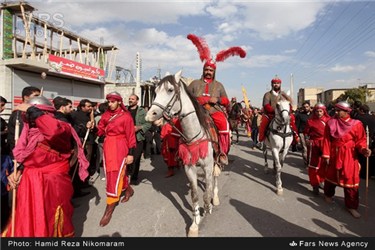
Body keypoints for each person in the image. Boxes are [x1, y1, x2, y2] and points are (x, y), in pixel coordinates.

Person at [3, 96, 89, 237]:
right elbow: (28, 156)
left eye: (31, 115)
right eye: (27, 116)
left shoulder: (61, 127)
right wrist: (19, 171)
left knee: (51, 219)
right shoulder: (29, 131)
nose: (29, 120)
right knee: (28, 218)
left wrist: (32, 110)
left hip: (53, 182)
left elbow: (52, 131)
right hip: (31, 180)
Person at [186, 34, 246, 165]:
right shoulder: (195, 83)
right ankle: (181, 154)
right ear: (203, 70)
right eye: (206, 69)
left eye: (211, 70)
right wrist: (198, 99)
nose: (208, 72)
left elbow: (226, 101)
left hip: (214, 111)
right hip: (197, 112)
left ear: (214, 72)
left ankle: (222, 153)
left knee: (224, 126)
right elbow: (186, 97)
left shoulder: (219, 85)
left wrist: (217, 100)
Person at [322, 101, 371, 218]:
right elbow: (327, 140)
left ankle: (351, 206)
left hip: (350, 155)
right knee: (330, 175)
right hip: (334, 153)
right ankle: (328, 195)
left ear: (347, 111)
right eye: (336, 110)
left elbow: (361, 141)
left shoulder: (357, 124)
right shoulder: (331, 122)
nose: (337, 112)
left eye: (339, 110)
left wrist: (364, 150)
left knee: (351, 179)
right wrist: (326, 155)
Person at [96, 92, 136, 227]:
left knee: (115, 173)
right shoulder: (106, 115)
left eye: (113, 101)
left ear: (119, 102)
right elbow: (100, 129)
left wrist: (130, 153)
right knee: (114, 172)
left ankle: (109, 206)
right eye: (109, 101)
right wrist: (95, 129)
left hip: (120, 145)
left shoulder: (126, 116)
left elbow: (130, 135)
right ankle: (128, 189)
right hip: (108, 145)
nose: (110, 104)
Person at [258, 76, 299, 144]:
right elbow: (266, 105)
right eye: (274, 83)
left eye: (278, 83)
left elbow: (289, 105)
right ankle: (261, 140)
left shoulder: (283, 94)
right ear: (272, 84)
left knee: (291, 119)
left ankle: (295, 138)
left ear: (280, 84)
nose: (276, 84)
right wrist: (275, 111)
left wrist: (288, 111)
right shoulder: (268, 94)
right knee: (264, 123)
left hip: (283, 114)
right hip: (270, 114)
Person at [303, 103, 331, 195]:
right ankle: (315, 184)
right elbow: (306, 132)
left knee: (324, 164)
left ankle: (321, 181)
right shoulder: (310, 121)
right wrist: (307, 139)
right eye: (317, 111)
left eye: (320, 111)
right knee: (313, 165)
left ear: (324, 111)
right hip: (314, 144)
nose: (319, 113)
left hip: (325, 144)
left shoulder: (329, 120)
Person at [7, 86, 40, 157]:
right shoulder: (20, 113)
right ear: (26, 97)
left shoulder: (31, 113)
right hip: (21, 154)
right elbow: (22, 134)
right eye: (36, 96)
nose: (38, 98)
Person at [126, 94, 152, 185]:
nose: (130, 100)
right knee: (126, 159)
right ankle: (125, 177)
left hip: (138, 138)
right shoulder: (124, 110)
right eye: (129, 99)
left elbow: (148, 124)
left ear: (137, 101)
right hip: (125, 139)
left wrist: (139, 127)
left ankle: (134, 178)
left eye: (132, 99)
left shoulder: (142, 111)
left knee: (136, 159)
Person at [295, 101, 312, 166]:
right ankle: (307, 163)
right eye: (304, 107)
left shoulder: (313, 114)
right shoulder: (299, 115)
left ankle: (311, 162)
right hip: (302, 134)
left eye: (307, 107)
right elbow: (297, 126)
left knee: (311, 148)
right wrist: (297, 136)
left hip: (312, 134)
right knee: (305, 149)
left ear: (309, 106)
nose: (306, 108)